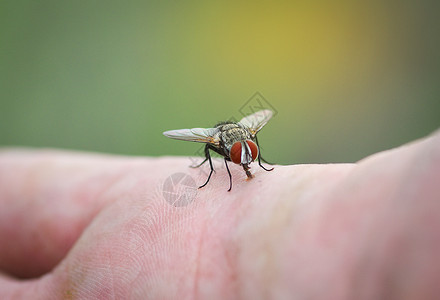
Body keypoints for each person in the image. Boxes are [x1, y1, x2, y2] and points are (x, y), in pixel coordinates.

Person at [0, 130, 439, 299]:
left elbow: (254, 136)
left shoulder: (248, 142)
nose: (245, 158)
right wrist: (219, 170)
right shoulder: (216, 146)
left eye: (248, 152)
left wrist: (256, 163)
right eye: (241, 154)